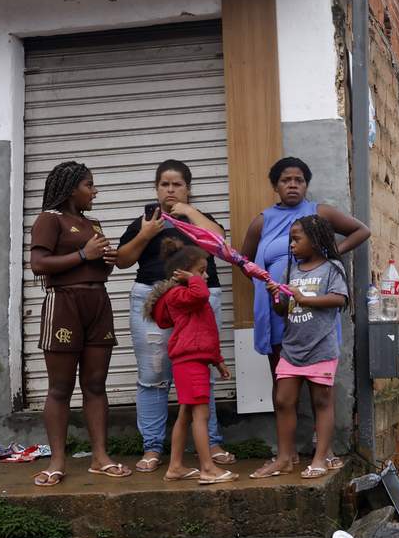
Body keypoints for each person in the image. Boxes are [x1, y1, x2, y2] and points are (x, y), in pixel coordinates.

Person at [239, 157, 369, 457]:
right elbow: (243, 261)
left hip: (312, 309)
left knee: (319, 384)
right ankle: (288, 451)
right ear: (275, 186)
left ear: (306, 184)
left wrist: (331, 254)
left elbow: (360, 231)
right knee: (282, 381)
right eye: (286, 180)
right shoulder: (263, 220)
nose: (293, 185)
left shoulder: (318, 214)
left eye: (299, 180)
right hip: (277, 308)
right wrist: (265, 283)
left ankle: (322, 449)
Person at [115, 160, 237, 472]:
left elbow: (220, 244)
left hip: (199, 298)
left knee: (200, 369)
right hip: (154, 299)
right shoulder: (145, 221)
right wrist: (145, 234)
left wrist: (189, 213)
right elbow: (123, 261)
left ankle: (211, 442)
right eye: (164, 184)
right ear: (156, 188)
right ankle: (153, 447)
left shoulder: (199, 218)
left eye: (177, 184)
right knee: (153, 376)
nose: (170, 190)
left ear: (188, 188)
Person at [28, 161, 132, 486]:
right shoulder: (49, 219)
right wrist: (84, 256)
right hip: (64, 304)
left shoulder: (93, 224)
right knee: (60, 387)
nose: (95, 192)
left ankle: (100, 457)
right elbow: (38, 264)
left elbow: (98, 271)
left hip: (97, 303)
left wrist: (107, 261)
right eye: (89, 185)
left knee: (96, 384)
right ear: (72, 188)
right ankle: (57, 461)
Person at [253, 215, 349, 479]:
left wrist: (305, 298)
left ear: (316, 240)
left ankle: (320, 458)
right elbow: (284, 309)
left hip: (320, 348)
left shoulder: (332, 269)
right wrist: (277, 297)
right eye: (290, 240)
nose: (291, 245)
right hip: (292, 348)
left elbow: (339, 299)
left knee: (321, 400)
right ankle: (284, 457)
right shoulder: (290, 271)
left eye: (296, 239)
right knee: (283, 400)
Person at [143, 240, 237, 485]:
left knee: (186, 414)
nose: (205, 276)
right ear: (183, 273)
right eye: (201, 271)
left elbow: (206, 332)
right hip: (189, 362)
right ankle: (207, 467)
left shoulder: (192, 296)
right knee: (201, 415)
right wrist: (192, 279)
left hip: (197, 361)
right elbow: (201, 293)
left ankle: (175, 467)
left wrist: (218, 361)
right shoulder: (179, 295)